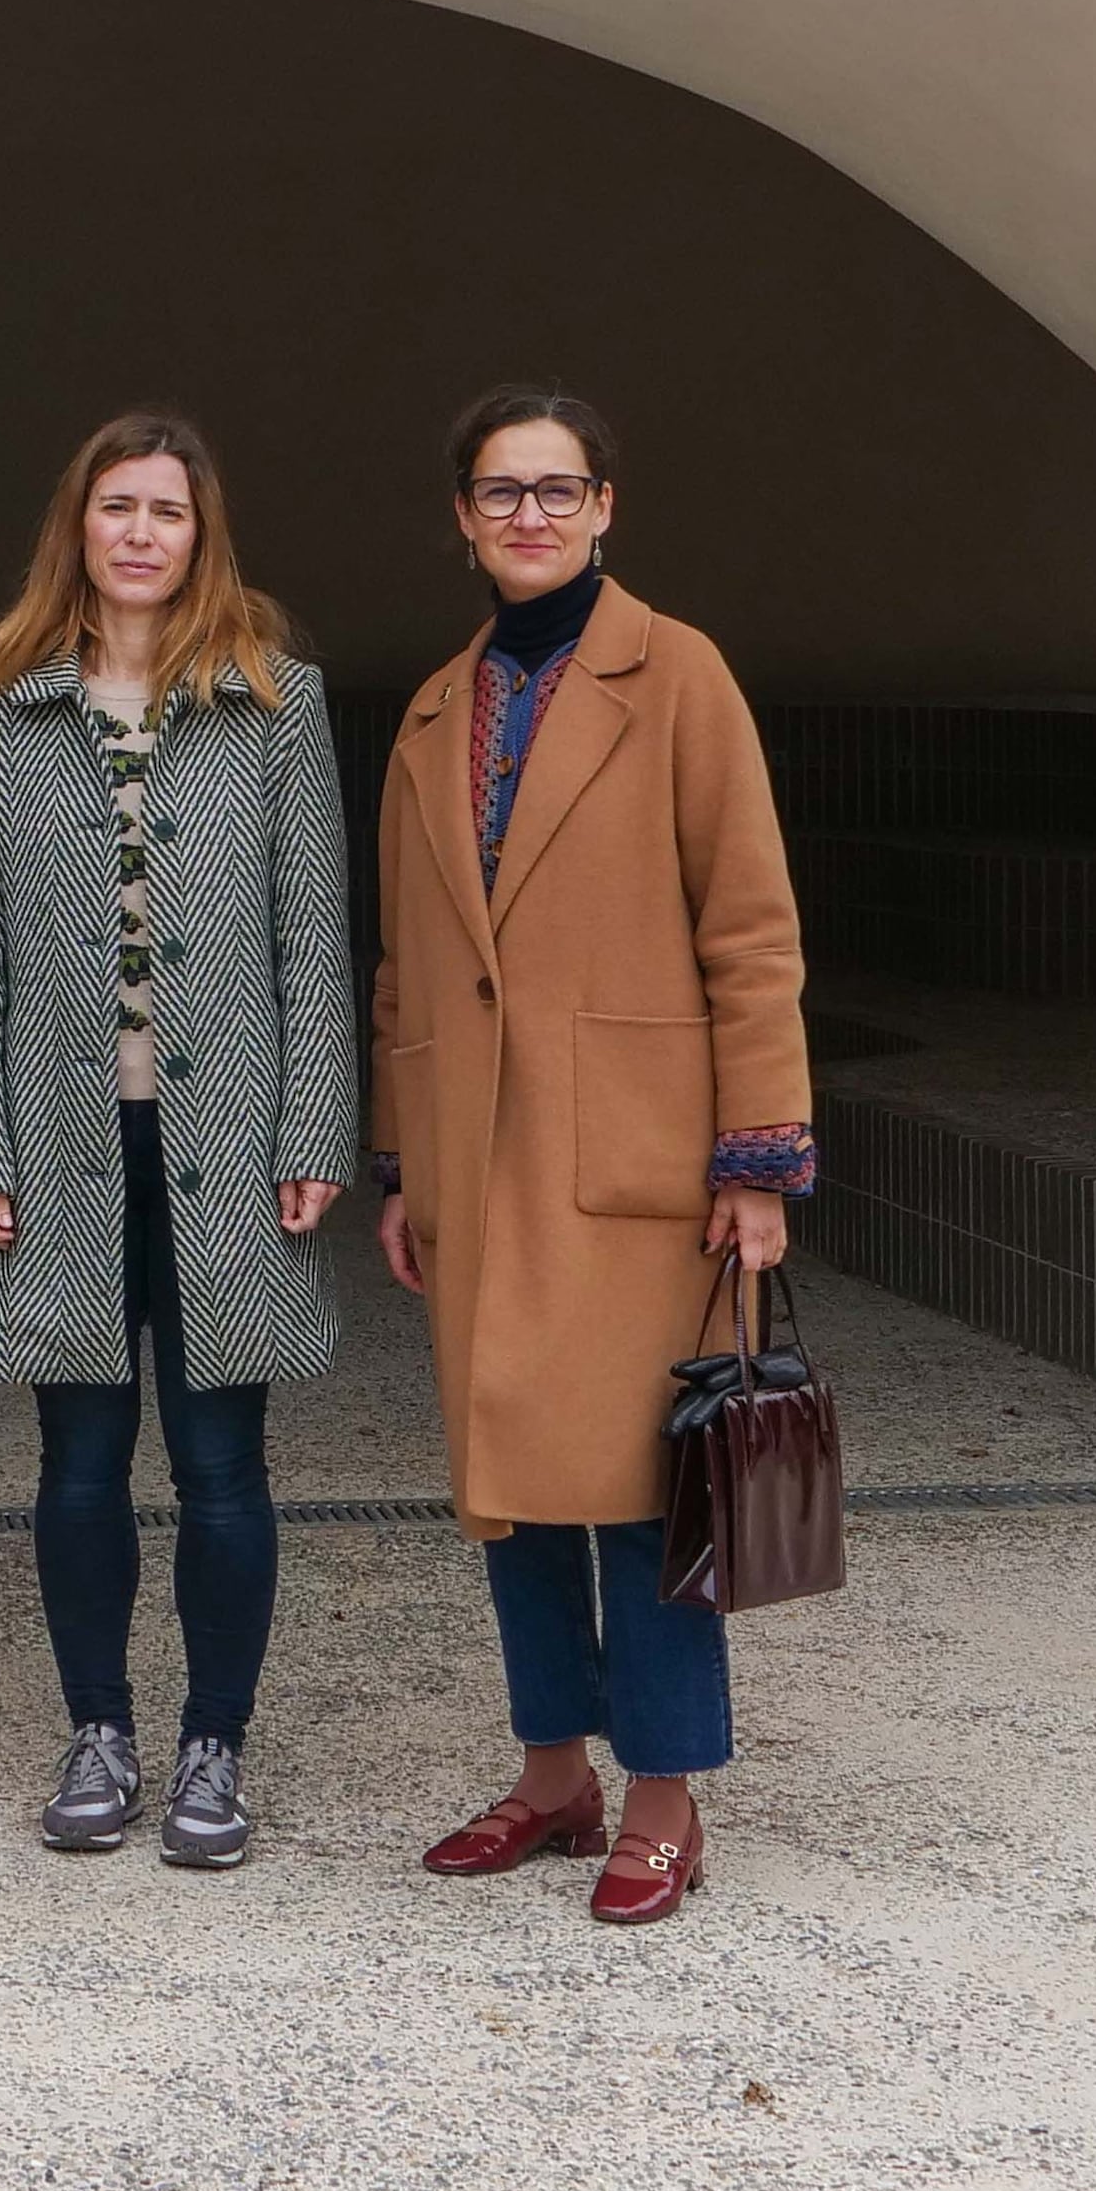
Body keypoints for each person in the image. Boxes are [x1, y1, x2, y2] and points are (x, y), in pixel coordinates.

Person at [370, 384, 811, 1928]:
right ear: (464, 517)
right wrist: (397, 1159)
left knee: (645, 1489)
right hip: (477, 1158)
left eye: (559, 490)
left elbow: (751, 927)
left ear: (607, 504)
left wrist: (759, 1155)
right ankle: (554, 1775)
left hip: (642, 1158)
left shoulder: (678, 675)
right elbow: (406, 968)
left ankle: (666, 1796)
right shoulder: (434, 711)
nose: (531, 516)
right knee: (511, 1487)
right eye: (502, 492)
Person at [0, 411, 358, 1869]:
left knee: (225, 1455)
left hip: (231, 1135)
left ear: (202, 532)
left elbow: (314, 932)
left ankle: (214, 1746)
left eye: (166, 510)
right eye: (115, 505)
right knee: (79, 1455)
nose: (138, 532)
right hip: (59, 1133)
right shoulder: (0, 700)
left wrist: (317, 1123)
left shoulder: (275, 698)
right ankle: (99, 1728)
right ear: (78, 525)